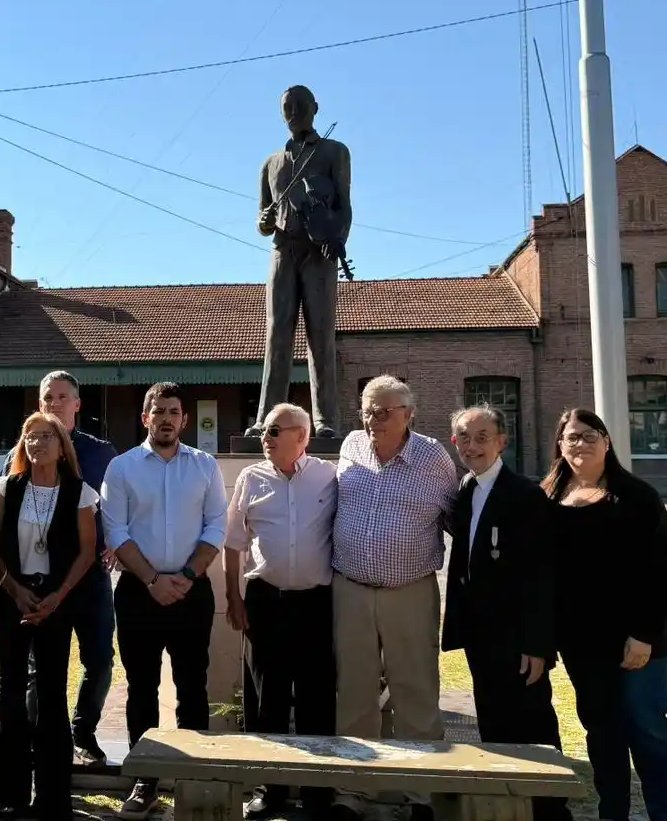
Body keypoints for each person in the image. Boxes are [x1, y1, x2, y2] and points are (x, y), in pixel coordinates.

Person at [542, 408, 667, 821]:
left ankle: (664, 813)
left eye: (590, 436)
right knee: (602, 733)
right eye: (572, 437)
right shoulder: (549, 498)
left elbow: (660, 569)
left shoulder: (637, 495)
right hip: (582, 642)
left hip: (641, 639)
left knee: (647, 730)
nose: (581, 444)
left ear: (607, 442)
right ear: (560, 444)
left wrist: (642, 634)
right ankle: (613, 813)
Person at [331, 375, 457, 821]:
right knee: (355, 694)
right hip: (350, 588)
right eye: (367, 409)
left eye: (385, 411)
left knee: (415, 693)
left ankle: (420, 794)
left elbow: (456, 520)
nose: (374, 419)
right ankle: (353, 791)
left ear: (409, 413)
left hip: (410, 590)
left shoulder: (433, 457)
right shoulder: (350, 446)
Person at [101, 382, 228, 821]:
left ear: (185, 420)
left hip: (192, 592)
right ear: (145, 418)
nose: (167, 418)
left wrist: (187, 576)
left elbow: (216, 527)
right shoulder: (121, 468)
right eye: (159, 411)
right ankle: (146, 779)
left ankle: (194, 777)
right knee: (142, 688)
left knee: (194, 686)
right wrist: (153, 579)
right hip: (139, 592)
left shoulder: (205, 466)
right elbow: (115, 531)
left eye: (174, 411)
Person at [442, 406, 569, 821]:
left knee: (532, 723)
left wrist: (537, 643)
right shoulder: (465, 490)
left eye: (482, 437)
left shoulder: (526, 495)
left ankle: (550, 809)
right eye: (465, 437)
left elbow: (543, 574)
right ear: (454, 442)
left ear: (502, 441)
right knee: (494, 722)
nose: (473, 445)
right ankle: (509, 804)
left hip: (519, 639)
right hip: (481, 636)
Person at [224, 403, 337, 820]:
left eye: (274, 431)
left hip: (315, 604)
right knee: (264, 698)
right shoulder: (251, 478)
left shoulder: (329, 476)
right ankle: (269, 789)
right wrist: (234, 598)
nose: (265, 439)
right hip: (265, 601)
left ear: (301, 437)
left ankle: (317, 792)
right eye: (265, 432)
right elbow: (234, 541)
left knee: (316, 699)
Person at [0, 370, 118, 765]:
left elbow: (117, 507)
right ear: (39, 403)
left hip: (89, 574)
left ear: (78, 404)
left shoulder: (102, 454)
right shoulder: (19, 456)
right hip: (41, 583)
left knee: (99, 659)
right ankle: (40, 744)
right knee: (42, 670)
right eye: (49, 396)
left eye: (64, 396)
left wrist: (114, 544)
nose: (56, 403)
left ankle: (82, 732)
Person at [0, 412, 98, 821]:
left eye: (46, 436)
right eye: (30, 437)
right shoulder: (7, 488)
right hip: (12, 598)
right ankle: (7, 794)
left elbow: (87, 552)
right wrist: (15, 590)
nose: (38, 444)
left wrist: (55, 597)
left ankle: (51, 797)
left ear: (61, 444)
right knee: (9, 691)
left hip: (57, 599)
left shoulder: (79, 492)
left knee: (51, 694)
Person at [245, 85, 352, 439]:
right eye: (287, 107)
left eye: (300, 105)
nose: (294, 112)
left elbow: (345, 206)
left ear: (315, 108)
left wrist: (337, 238)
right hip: (282, 250)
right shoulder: (270, 163)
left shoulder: (334, 151)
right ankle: (266, 417)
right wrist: (263, 221)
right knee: (277, 335)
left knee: (320, 334)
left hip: (318, 250)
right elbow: (264, 215)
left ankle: (326, 421)